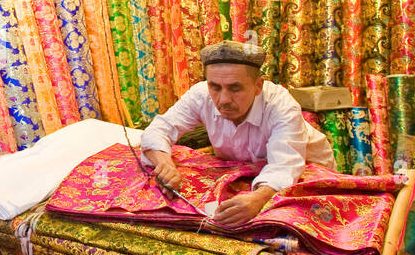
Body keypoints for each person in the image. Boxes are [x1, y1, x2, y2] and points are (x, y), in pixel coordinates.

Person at [140, 40, 334, 228]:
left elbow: (284, 167)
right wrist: (164, 163)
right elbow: (159, 129)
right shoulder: (200, 95)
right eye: (215, 87)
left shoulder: (281, 105)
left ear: (258, 86)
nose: (223, 99)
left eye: (235, 88)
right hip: (249, 173)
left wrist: (258, 198)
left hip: (306, 169)